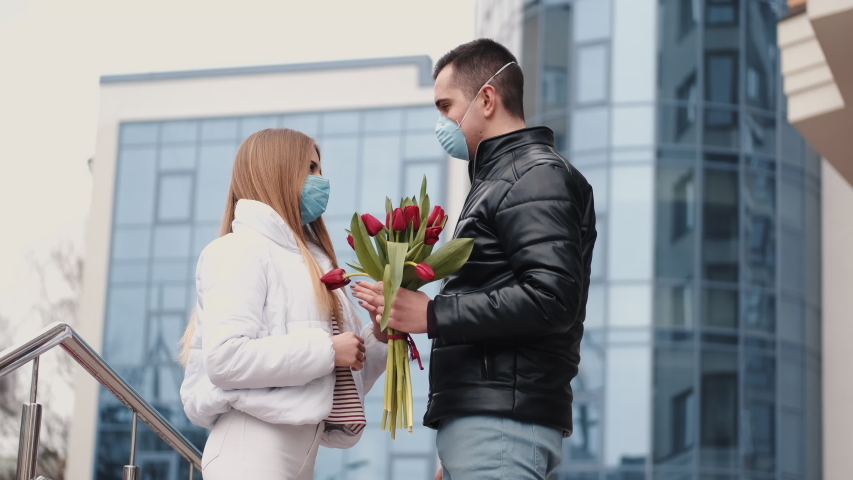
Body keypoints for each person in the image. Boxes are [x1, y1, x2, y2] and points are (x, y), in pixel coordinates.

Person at [352, 39, 597, 480]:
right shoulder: (504, 179)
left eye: (447, 106)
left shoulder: (532, 175)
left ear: (487, 98)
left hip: (501, 426)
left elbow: (551, 298)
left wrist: (432, 313)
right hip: (490, 427)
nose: (442, 122)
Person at [179, 128, 388, 480]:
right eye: (309, 167)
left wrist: (378, 335)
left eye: (319, 168)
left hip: (296, 459)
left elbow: (332, 383)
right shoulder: (239, 250)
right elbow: (226, 359)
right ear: (276, 170)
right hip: (249, 453)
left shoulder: (315, 262)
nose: (320, 180)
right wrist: (327, 350)